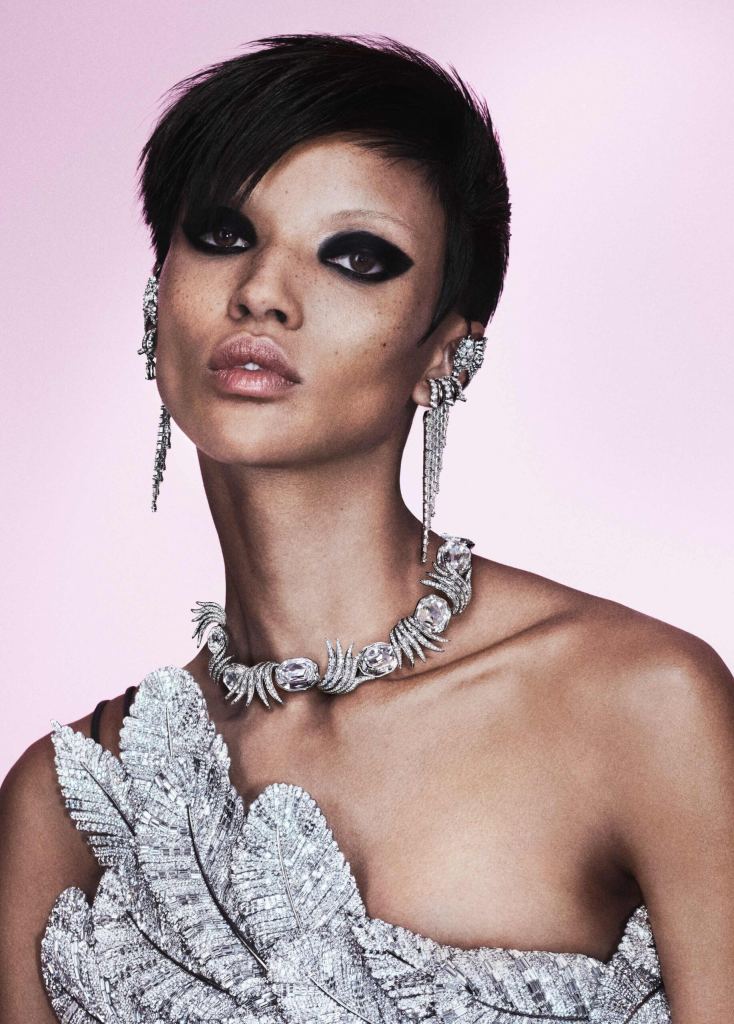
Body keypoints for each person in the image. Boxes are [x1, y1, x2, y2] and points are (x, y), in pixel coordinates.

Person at [0, 33, 731, 1024]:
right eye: (221, 234)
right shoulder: (66, 804)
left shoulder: (642, 704)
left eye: (356, 257)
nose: (261, 292)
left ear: (445, 352)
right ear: (156, 294)